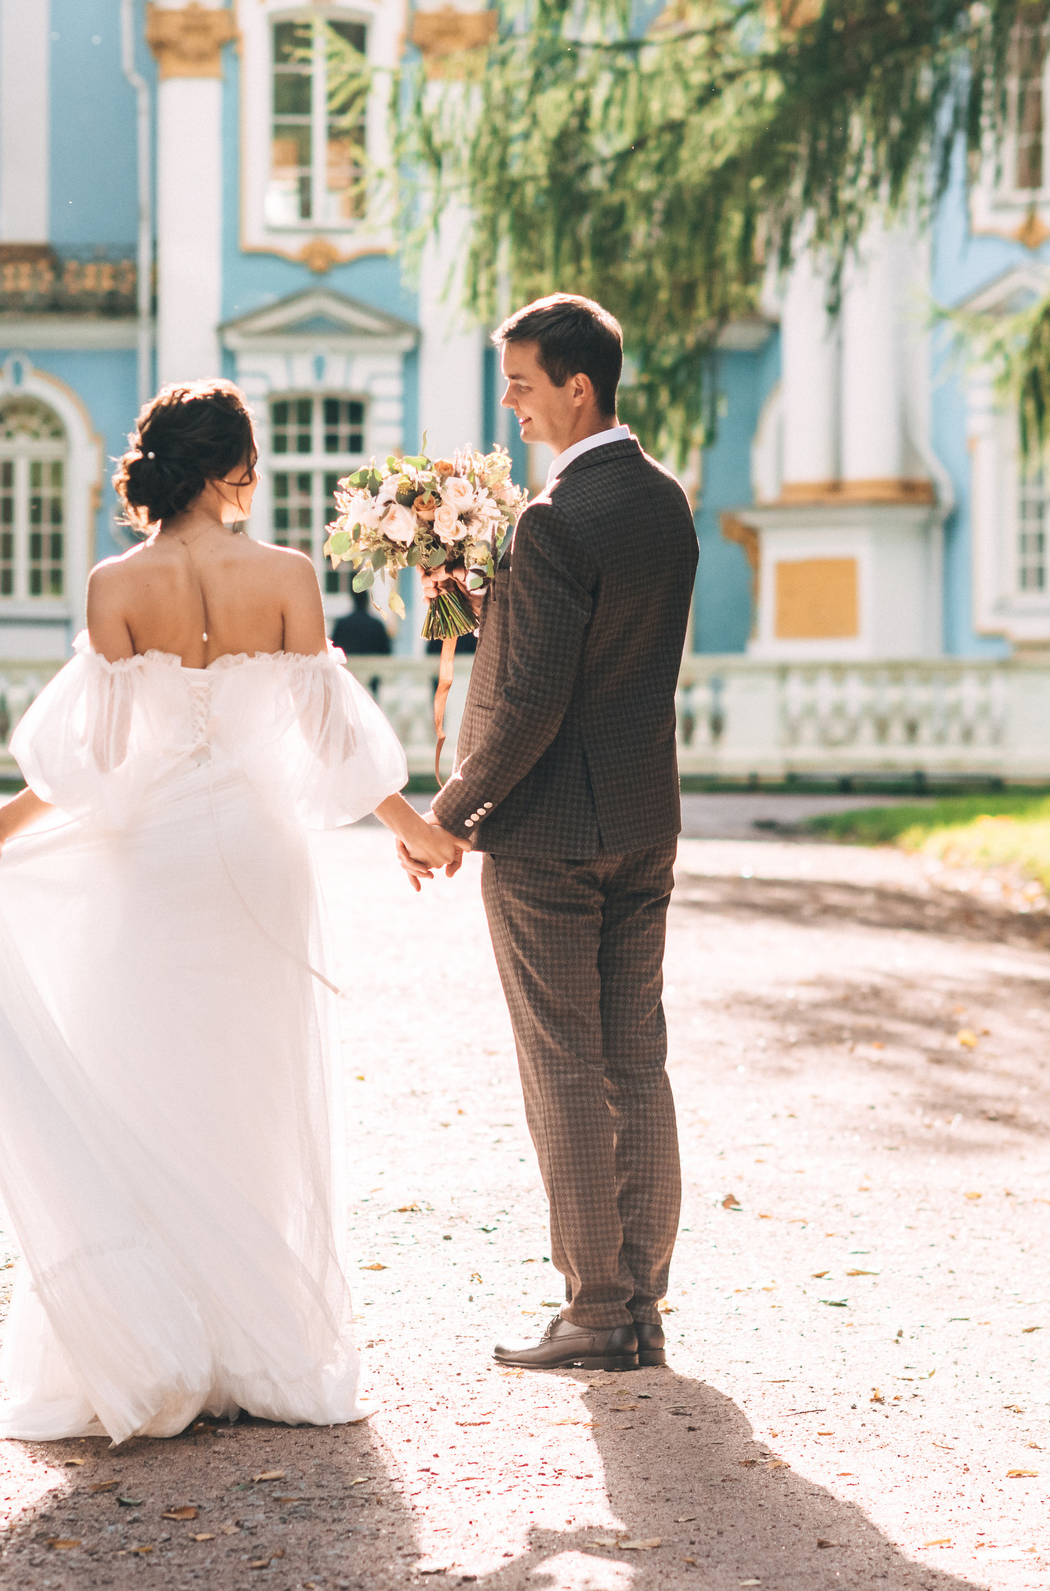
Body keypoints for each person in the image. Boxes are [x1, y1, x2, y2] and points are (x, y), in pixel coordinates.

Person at [0, 380, 464, 1443]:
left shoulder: (115, 583)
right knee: (253, 1090)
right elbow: (331, 738)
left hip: (154, 862)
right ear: (232, 472)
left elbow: (93, 762)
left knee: (138, 1079)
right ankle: (257, 1342)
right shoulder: (284, 576)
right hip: (260, 860)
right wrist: (414, 827)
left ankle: (150, 1339)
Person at [400, 294, 700, 1374]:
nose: (511, 406)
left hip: (549, 835)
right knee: (637, 1053)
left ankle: (593, 1309)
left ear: (578, 385)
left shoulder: (553, 514)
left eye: (523, 384)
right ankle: (640, 1308)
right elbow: (594, 644)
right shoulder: (665, 499)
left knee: (564, 1063)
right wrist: (491, 601)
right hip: (641, 816)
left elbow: (530, 700)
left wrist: (449, 813)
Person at [330, 586, 394, 657]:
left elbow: (334, 652)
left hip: (348, 666)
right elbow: (386, 654)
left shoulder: (341, 624)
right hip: (373, 666)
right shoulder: (377, 625)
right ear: (367, 600)